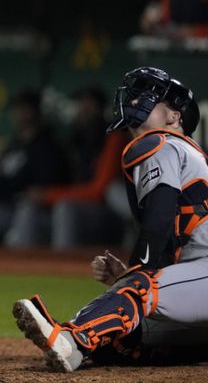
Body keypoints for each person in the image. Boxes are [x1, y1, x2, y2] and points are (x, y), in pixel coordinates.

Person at [13, 67, 208, 372]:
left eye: (151, 96)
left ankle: (71, 338)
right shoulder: (184, 154)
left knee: (139, 288)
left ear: (174, 117)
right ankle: (79, 347)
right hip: (200, 284)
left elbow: (158, 222)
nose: (137, 99)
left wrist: (135, 276)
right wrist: (129, 276)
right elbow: (169, 244)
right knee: (118, 341)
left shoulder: (161, 142)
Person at [4, 87, 129, 249]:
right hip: (78, 206)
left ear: (101, 109)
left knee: (65, 208)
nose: (84, 110)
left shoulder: (113, 136)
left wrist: (47, 195)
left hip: (109, 213)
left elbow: (100, 191)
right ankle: (18, 268)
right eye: (82, 104)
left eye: (90, 105)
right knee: (29, 209)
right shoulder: (76, 139)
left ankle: (63, 266)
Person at [0, 90, 70, 245]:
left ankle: (17, 264)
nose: (20, 113)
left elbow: (47, 187)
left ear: (35, 111)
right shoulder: (12, 146)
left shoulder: (48, 146)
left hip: (38, 211)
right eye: (17, 109)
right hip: (4, 207)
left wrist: (30, 193)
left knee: (26, 211)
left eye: (24, 108)